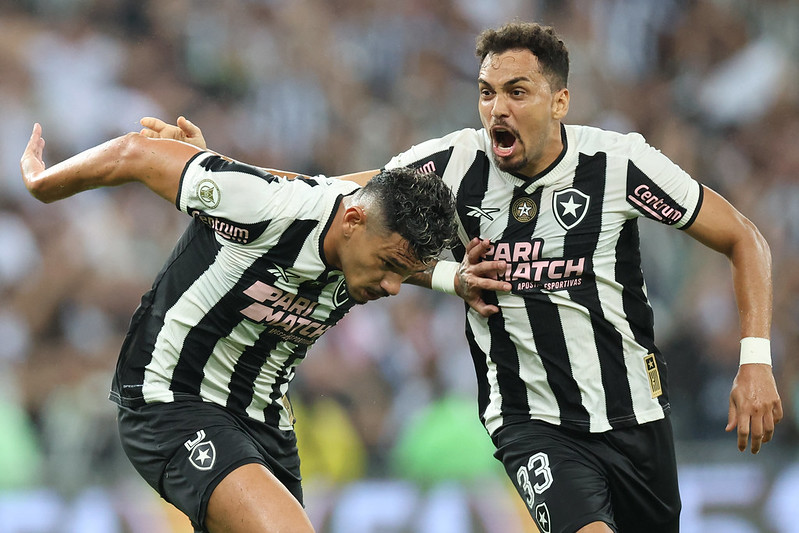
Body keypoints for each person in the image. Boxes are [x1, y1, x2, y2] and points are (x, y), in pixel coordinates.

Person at [142, 21, 784, 533]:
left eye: (517, 92)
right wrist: (211, 171)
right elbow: (331, 197)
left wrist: (754, 360)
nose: (496, 107)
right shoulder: (449, 165)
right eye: (486, 91)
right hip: (532, 424)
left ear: (559, 101)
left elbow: (743, 239)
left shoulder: (619, 165)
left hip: (637, 416)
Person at [19, 123, 457, 533]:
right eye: (389, 266)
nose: (394, 287)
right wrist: (44, 184)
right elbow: (136, 153)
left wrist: (452, 279)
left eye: (406, 272)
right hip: (175, 402)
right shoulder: (265, 206)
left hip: (267, 427)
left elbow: (388, 238)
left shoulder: (368, 233)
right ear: (353, 221)